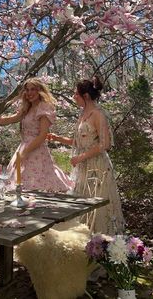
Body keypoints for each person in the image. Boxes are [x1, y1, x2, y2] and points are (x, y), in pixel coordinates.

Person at [48, 77, 124, 235]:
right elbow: (79, 142)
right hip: (83, 168)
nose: (74, 97)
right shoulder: (83, 114)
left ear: (86, 96)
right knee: (82, 205)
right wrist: (57, 138)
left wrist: (80, 158)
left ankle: (101, 242)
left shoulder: (97, 114)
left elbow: (105, 144)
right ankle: (84, 242)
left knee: (97, 206)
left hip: (97, 168)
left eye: (76, 94)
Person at [0, 78, 72, 192]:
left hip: (36, 150)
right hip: (23, 147)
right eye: (27, 90)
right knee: (17, 187)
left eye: (33, 89)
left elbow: (42, 136)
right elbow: (10, 119)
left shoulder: (43, 107)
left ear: (40, 91)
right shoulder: (27, 108)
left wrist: (25, 153)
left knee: (37, 188)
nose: (29, 93)